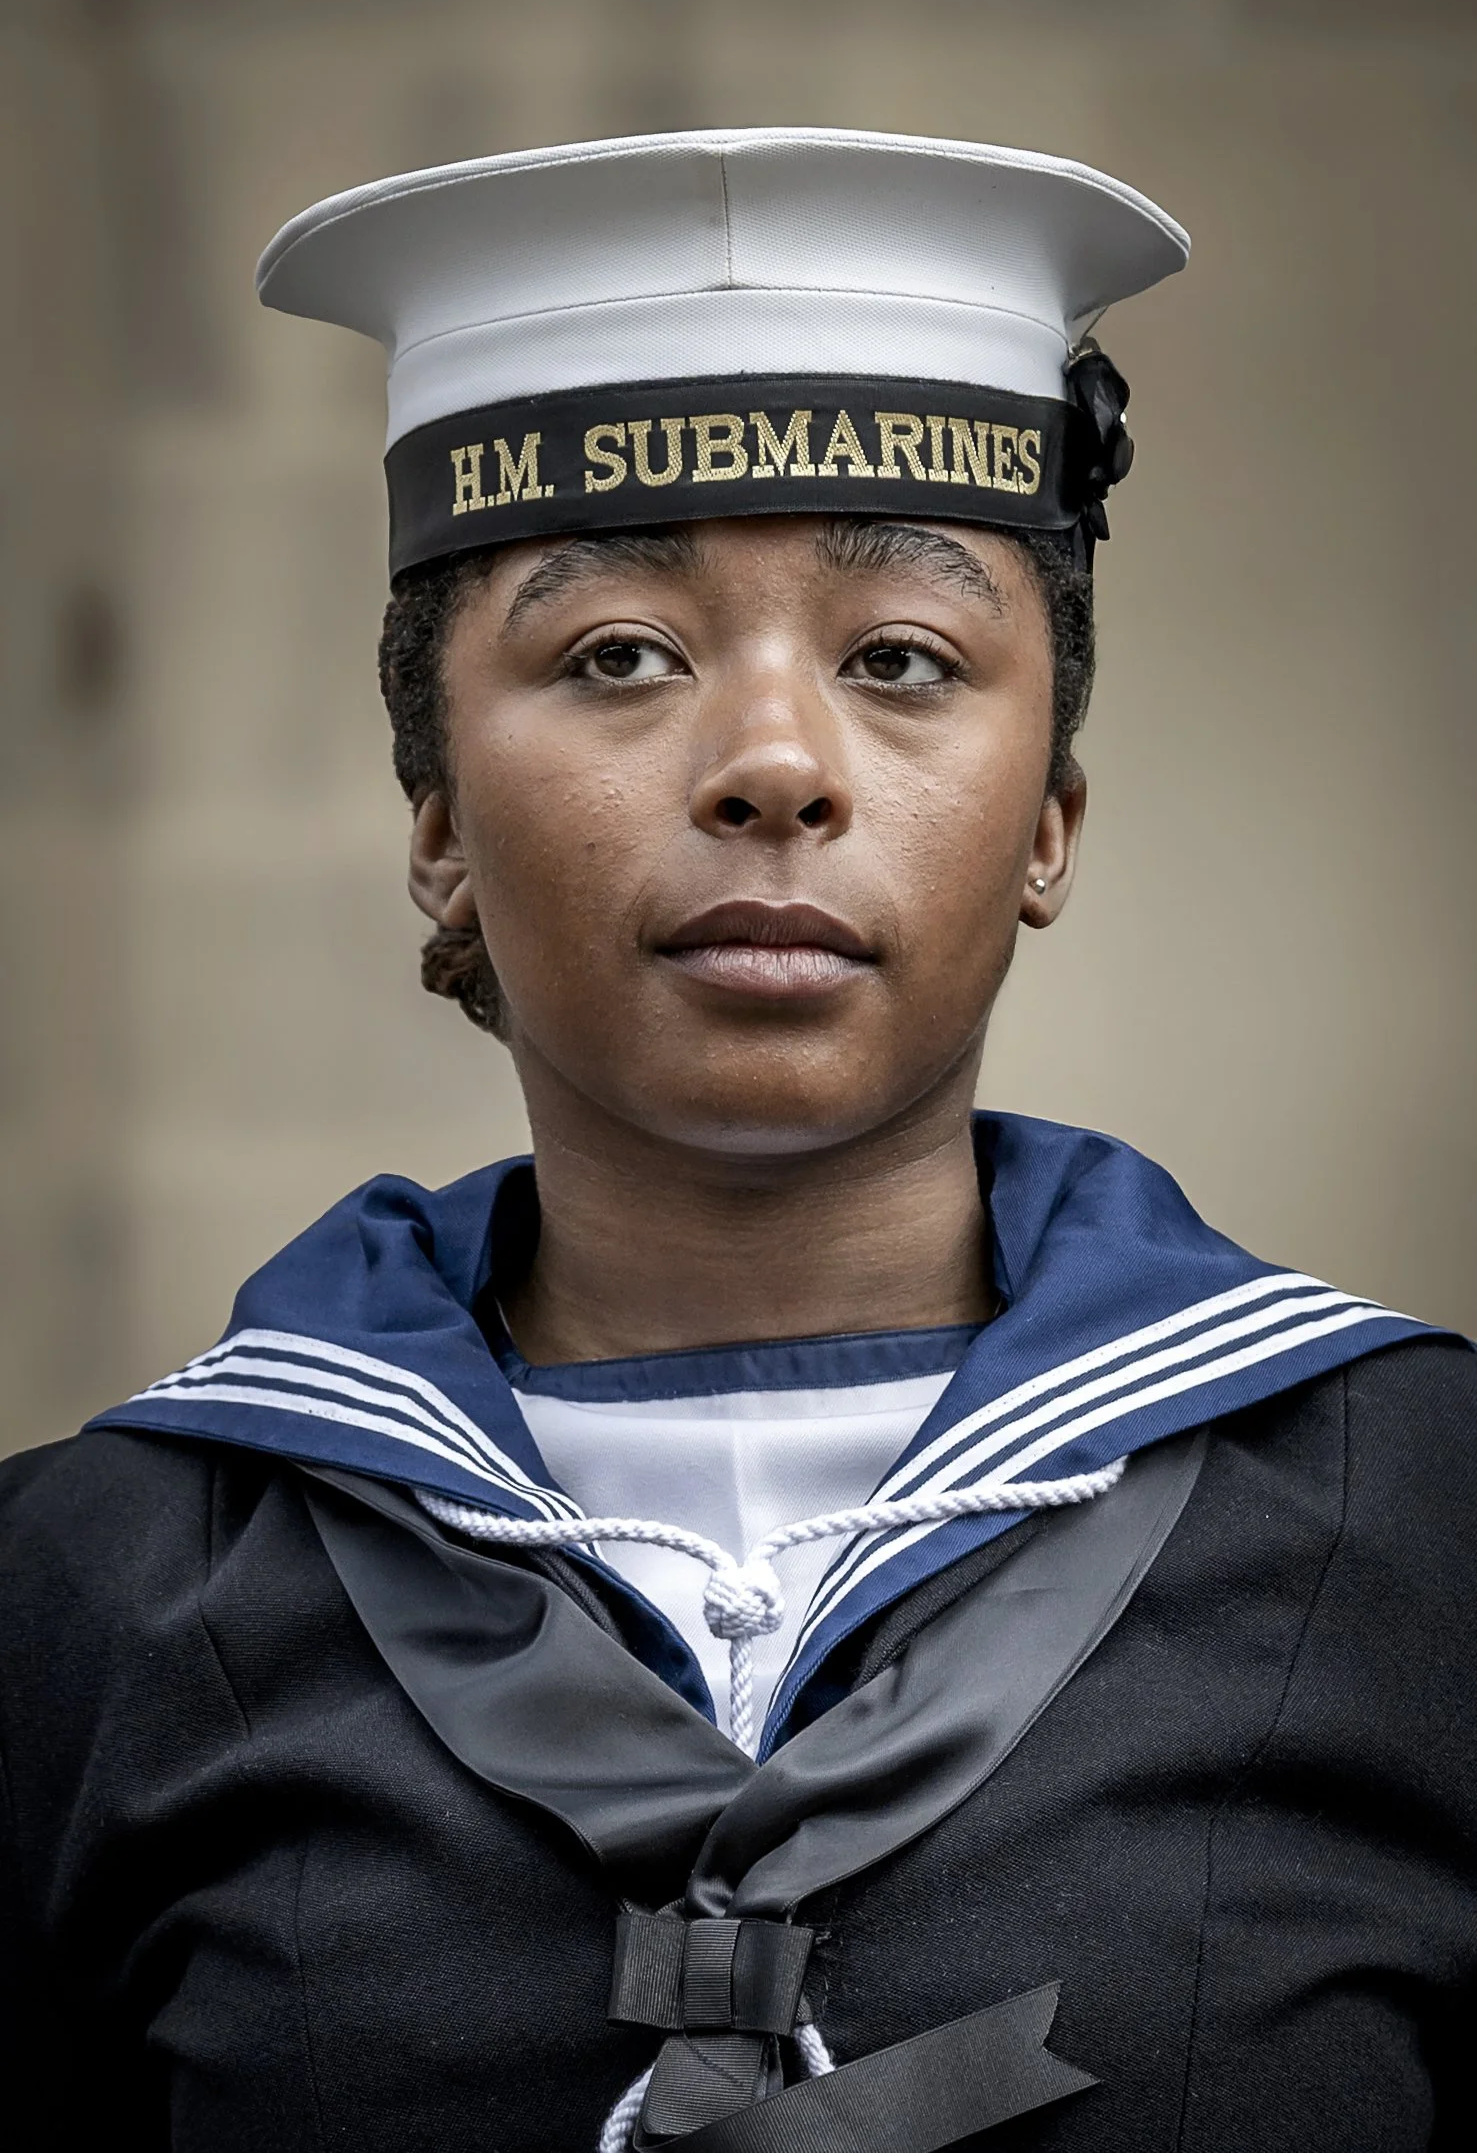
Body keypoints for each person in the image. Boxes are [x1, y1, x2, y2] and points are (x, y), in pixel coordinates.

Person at [1, 129, 1472, 2153]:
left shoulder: (1426, 1536)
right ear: (434, 811)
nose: (776, 763)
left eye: (901, 662)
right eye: (617, 656)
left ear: (1051, 816)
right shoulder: (81, 1610)